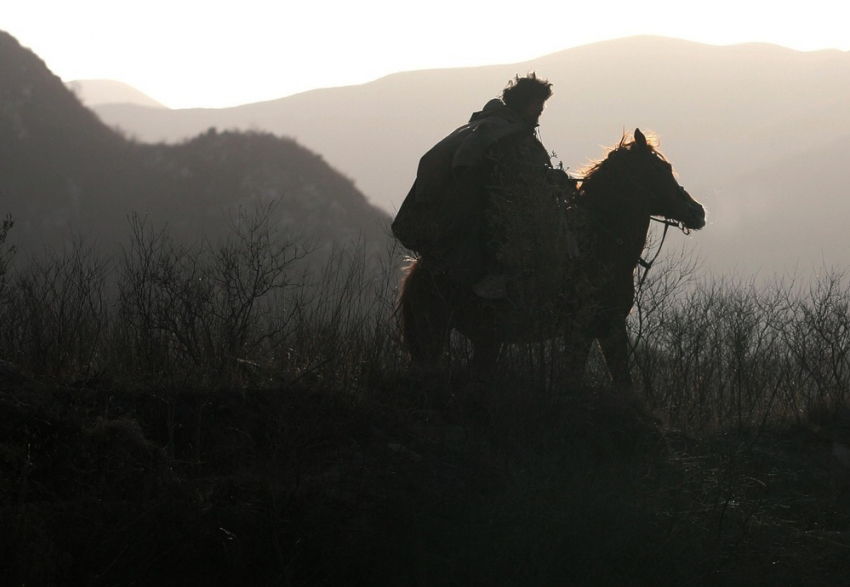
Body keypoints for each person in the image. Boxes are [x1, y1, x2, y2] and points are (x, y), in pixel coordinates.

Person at [392, 73, 575, 299]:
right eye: (538, 103)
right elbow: (517, 178)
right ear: (525, 103)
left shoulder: (493, 125)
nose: (541, 109)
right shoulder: (509, 134)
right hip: (485, 212)